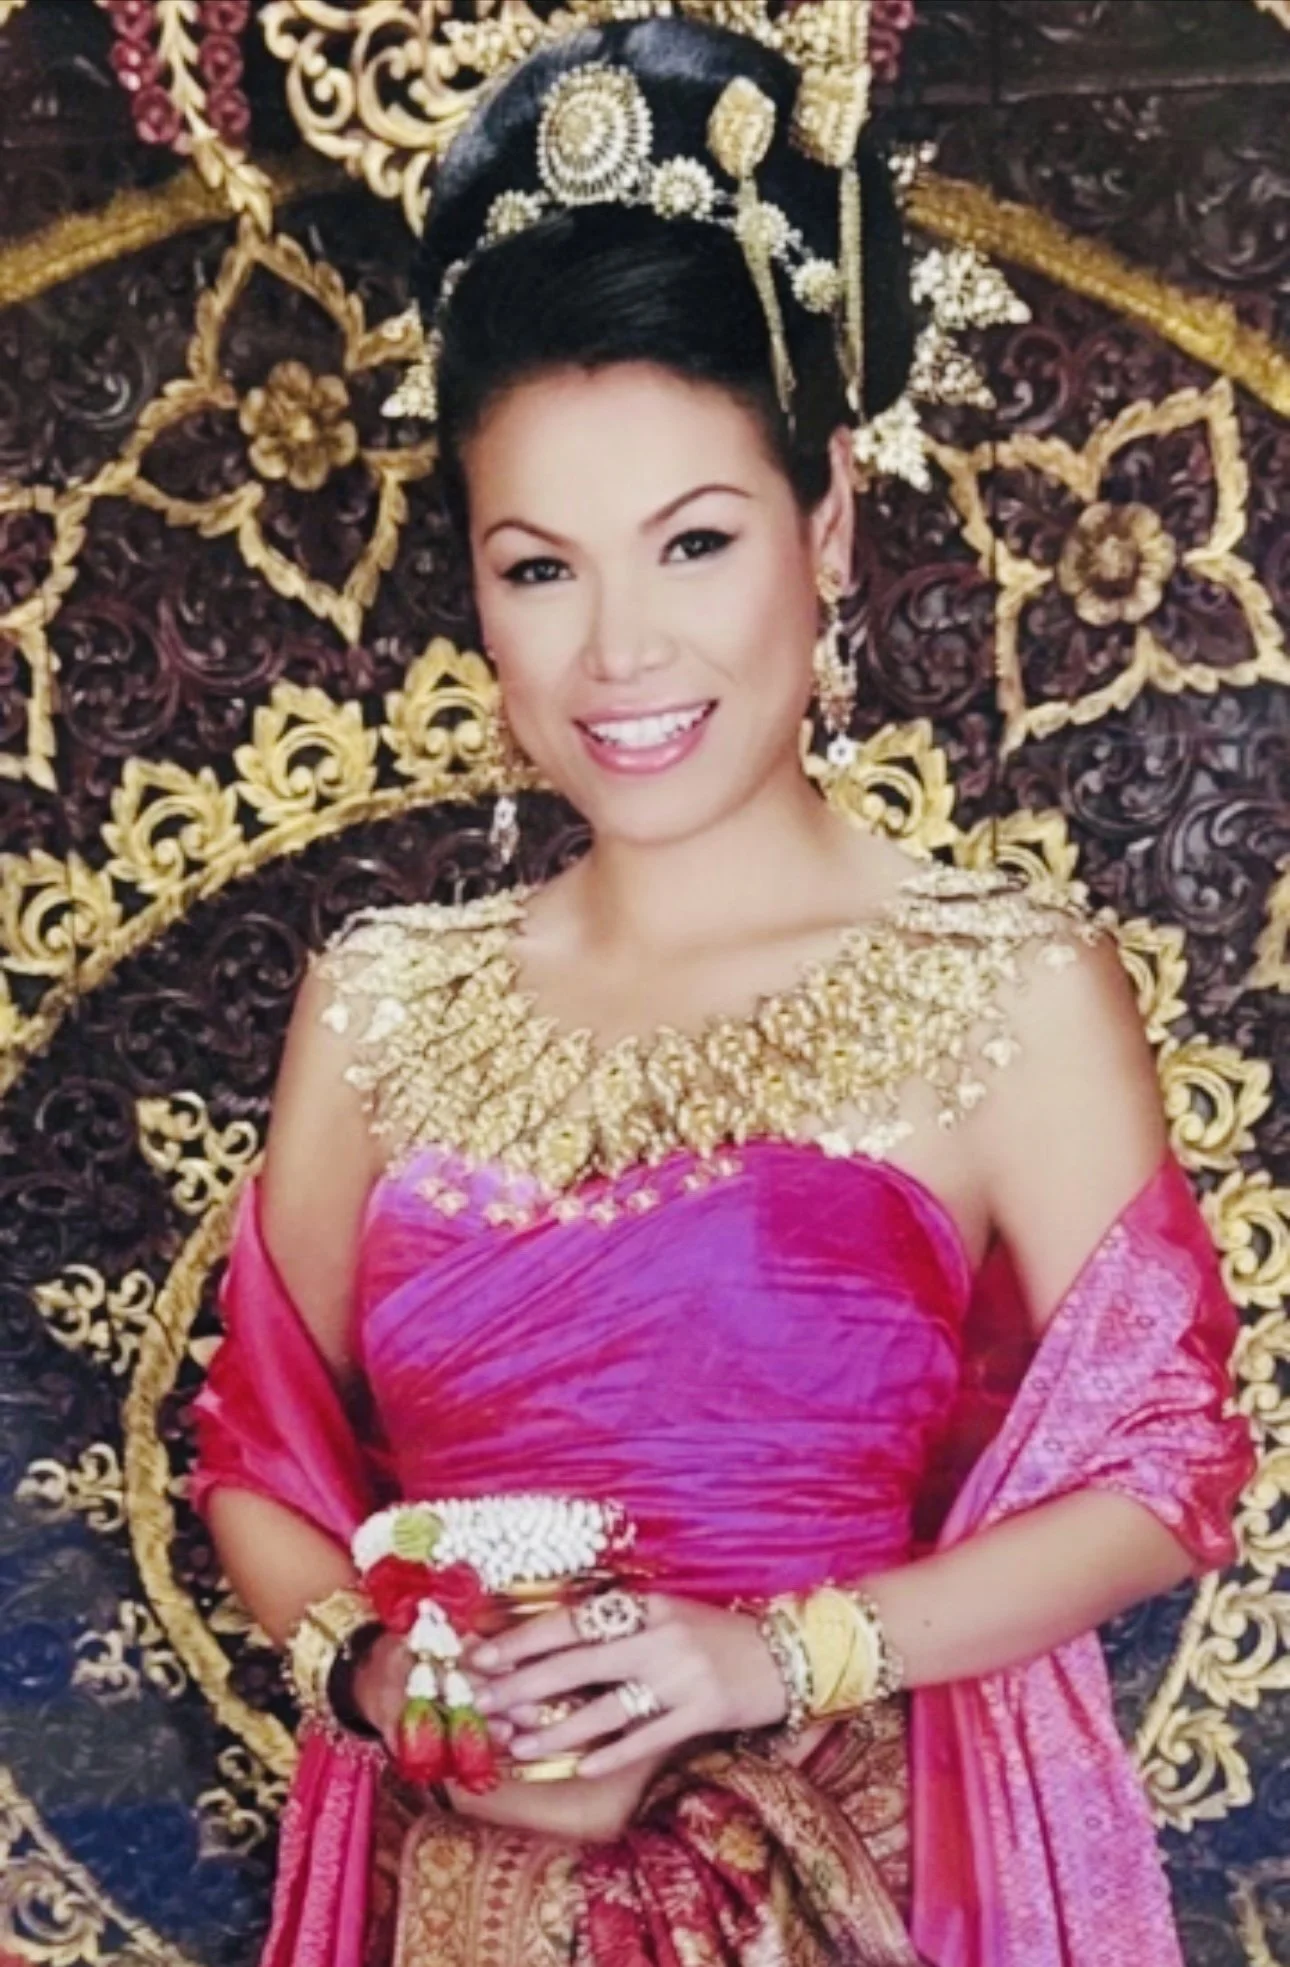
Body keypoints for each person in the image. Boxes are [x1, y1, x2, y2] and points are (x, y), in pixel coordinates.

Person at [192, 17, 1254, 1967]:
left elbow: (1164, 1473)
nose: (620, 650)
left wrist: (769, 1652)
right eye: (538, 567)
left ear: (827, 517)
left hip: (841, 1893)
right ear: (476, 588)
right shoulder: (377, 1004)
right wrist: (368, 1668)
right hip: (469, 1897)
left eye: (694, 539)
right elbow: (263, 1461)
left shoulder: (1004, 986)